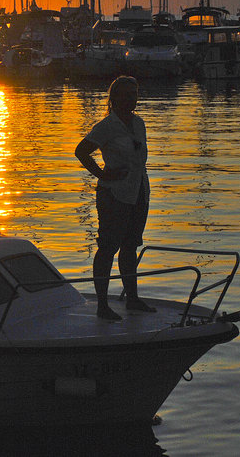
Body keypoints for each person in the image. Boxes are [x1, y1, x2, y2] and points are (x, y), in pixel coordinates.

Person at [75, 76, 157, 321]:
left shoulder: (139, 123)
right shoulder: (107, 126)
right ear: (113, 98)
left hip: (139, 191)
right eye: (125, 94)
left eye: (134, 94)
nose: (131, 99)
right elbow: (81, 151)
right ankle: (102, 304)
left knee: (131, 246)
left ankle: (132, 298)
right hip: (114, 194)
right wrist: (101, 173)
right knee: (108, 247)